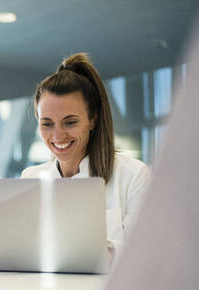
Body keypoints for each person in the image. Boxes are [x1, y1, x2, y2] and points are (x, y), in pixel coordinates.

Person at [21, 53, 150, 263]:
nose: (57, 136)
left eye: (70, 122)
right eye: (47, 123)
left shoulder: (133, 176)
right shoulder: (30, 178)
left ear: (92, 120)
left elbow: (144, 254)